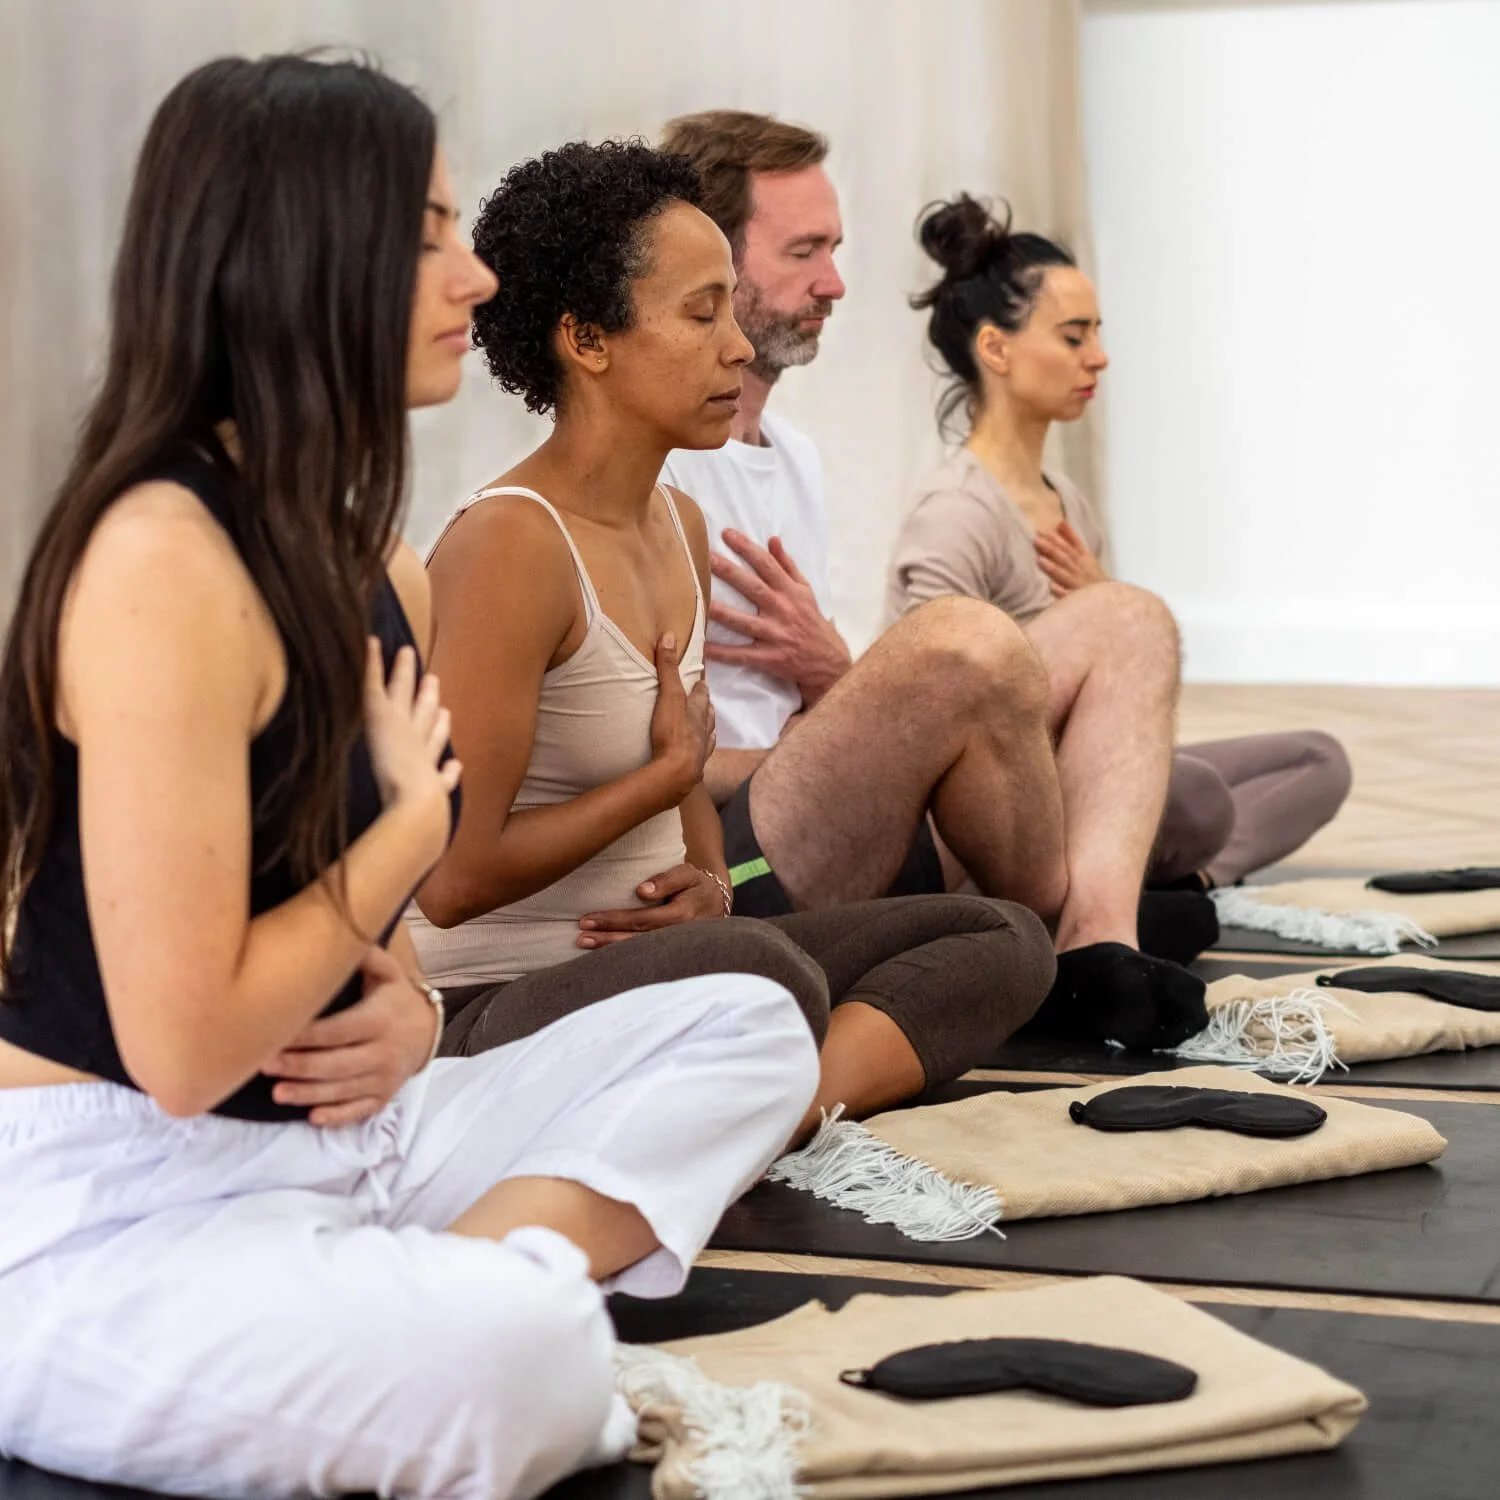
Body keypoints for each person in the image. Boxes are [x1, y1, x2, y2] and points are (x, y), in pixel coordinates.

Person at [0, 58, 819, 1500]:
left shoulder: (372, 559)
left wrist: (408, 1008)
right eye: (432, 229)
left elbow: (364, 960)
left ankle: (402, 1288)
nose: (476, 271)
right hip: (120, 1201)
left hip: (344, 1141)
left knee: (750, 1020)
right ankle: (430, 1304)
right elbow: (186, 1052)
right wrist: (407, 836)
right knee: (530, 1356)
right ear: (309, 250)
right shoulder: (160, 560)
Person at [404, 140, 1057, 1139]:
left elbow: (691, 825)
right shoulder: (509, 544)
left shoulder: (679, 525)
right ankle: (746, 1095)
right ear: (587, 340)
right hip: (495, 1008)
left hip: (667, 971)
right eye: (700, 314)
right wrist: (662, 780)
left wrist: (708, 887)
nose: (738, 347)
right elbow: (450, 880)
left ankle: (775, 1112)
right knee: (768, 970)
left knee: (1002, 936)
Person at [657, 110, 1209, 1048]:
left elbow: (831, 715)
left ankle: (1095, 944)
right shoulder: (655, 474)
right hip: (741, 859)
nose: (834, 283)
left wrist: (842, 692)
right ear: (708, 262)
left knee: (1130, 620)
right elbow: (643, 768)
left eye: (834, 249)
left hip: (854, 810)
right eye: (805, 252)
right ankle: (1062, 914)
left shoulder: (794, 460)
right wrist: (840, 726)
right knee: (968, 637)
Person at [889, 194, 1352, 889]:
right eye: (1074, 337)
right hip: (992, 812)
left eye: (1097, 334)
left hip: (1081, 765)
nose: (1099, 358)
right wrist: (1087, 628)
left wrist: (1104, 608)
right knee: (1195, 796)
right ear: (996, 347)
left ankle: (1178, 876)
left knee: (1318, 761)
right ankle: (1147, 876)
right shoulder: (955, 513)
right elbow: (926, 722)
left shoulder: (1068, 503)